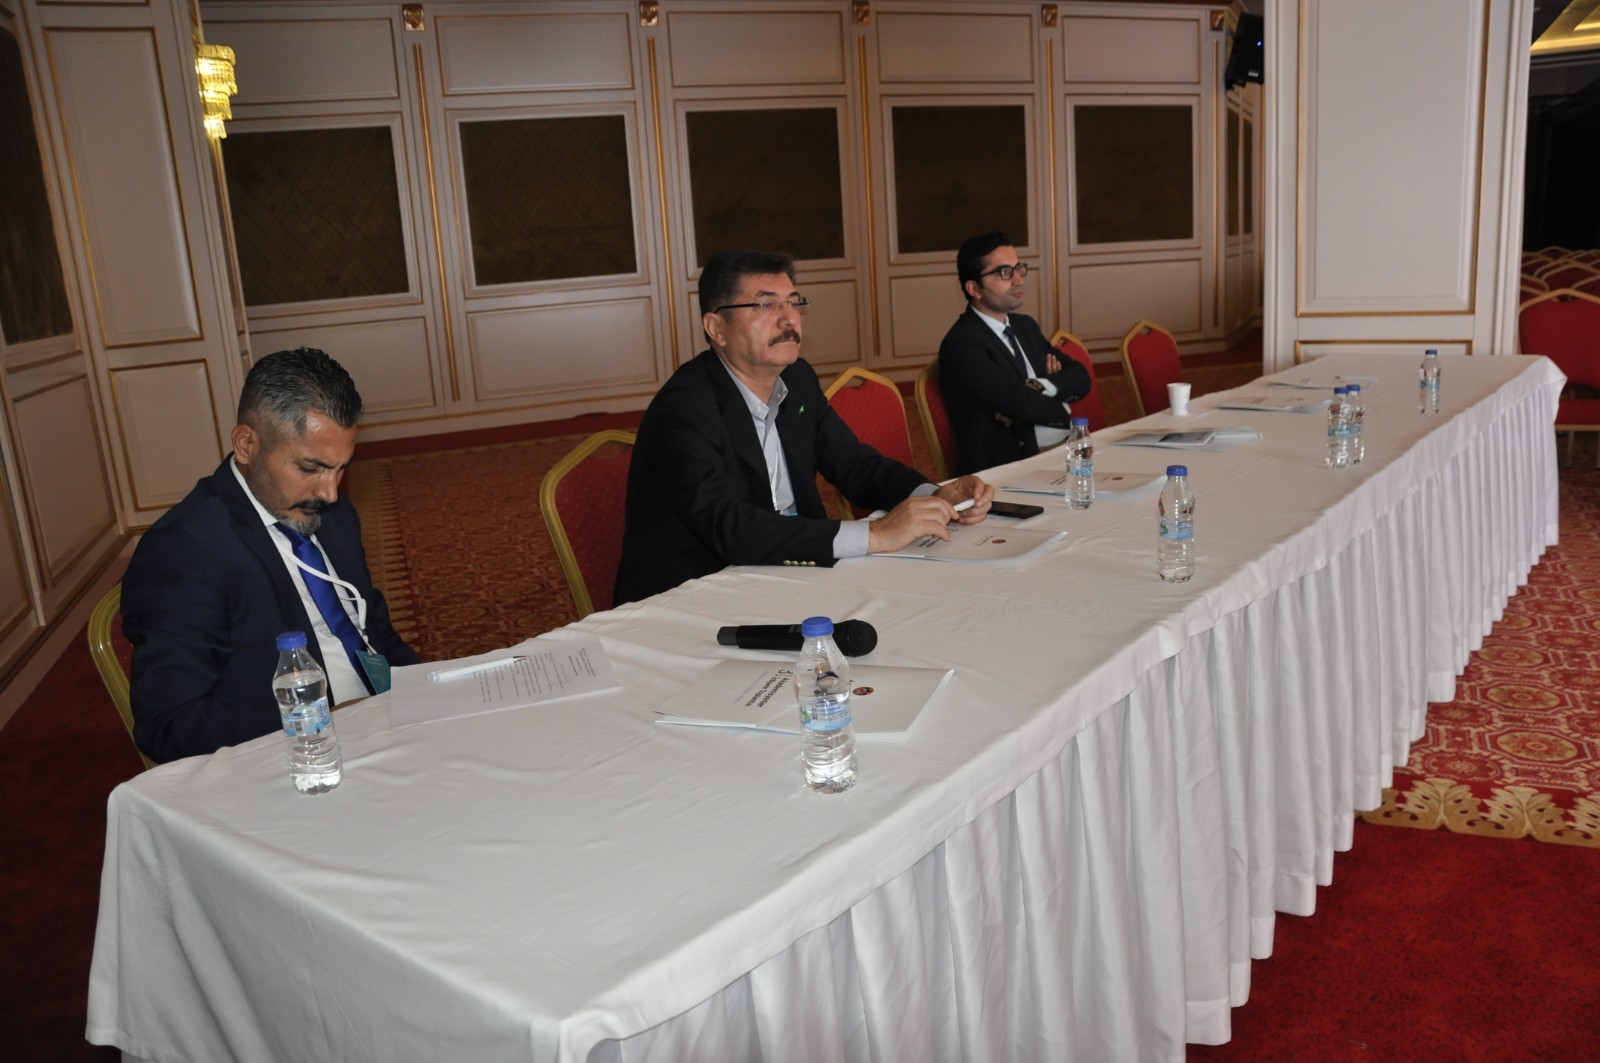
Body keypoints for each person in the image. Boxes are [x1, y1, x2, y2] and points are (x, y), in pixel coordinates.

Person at [615, 249, 994, 605]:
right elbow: (731, 527)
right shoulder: (682, 410)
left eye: (793, 302)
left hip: (792, 572)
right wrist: (877, 534)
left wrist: (934, 496)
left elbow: (855, 465)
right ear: (717, 327)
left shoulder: (797, 379)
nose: (789, 319)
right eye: (766, 305)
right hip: (699, 594)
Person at [121, 347, 419, 763]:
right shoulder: (186, 550)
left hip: (388, 727)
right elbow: (171, 725)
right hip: (302, 754)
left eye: (341, 468)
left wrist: (427, 692)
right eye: (311, 468)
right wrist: (325, 718)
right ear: (247, 444)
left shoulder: (333, 516)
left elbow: (377, 634)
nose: (330, 492)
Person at [937, 231, 1093, 475]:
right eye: (1004, 272)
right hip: (1010, 469)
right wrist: (1063, 404)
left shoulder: (1025, 326)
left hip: (1062, 451)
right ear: (974, 288)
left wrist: (1041, 386)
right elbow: (1021, 404)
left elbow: (1080, 376)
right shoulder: (962, 344)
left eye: (1018, 269)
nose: (1018, 280)